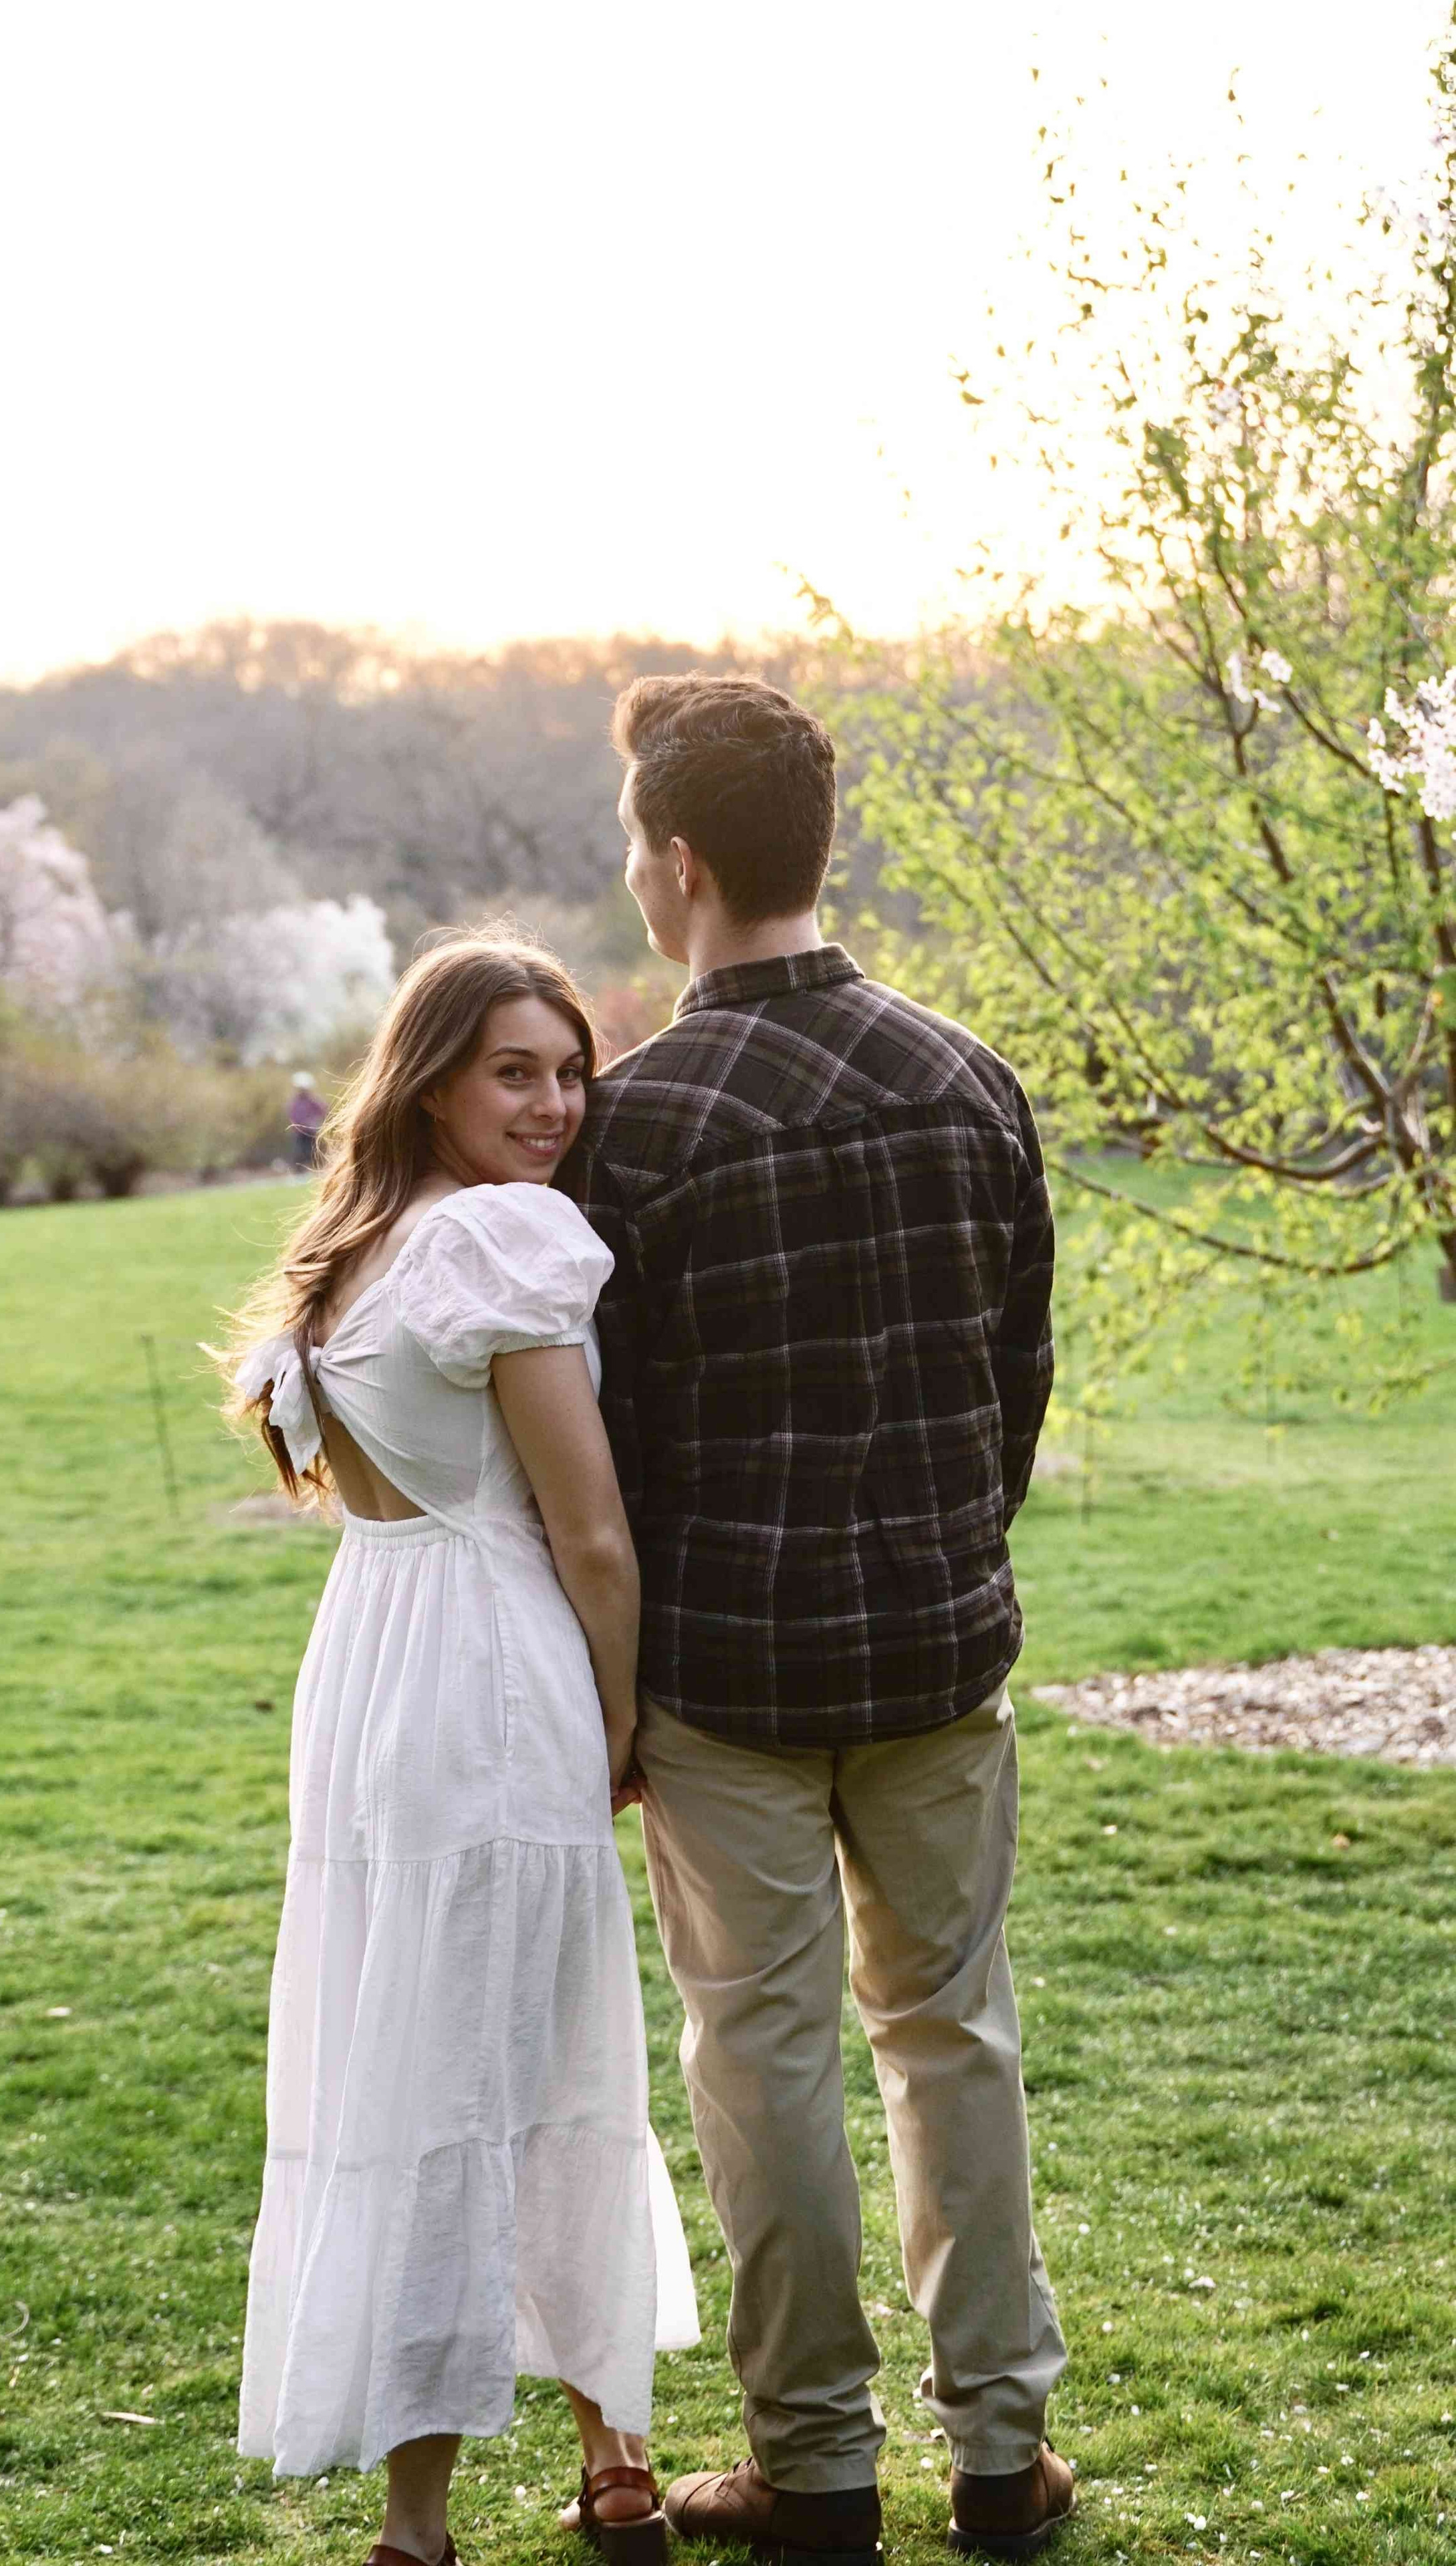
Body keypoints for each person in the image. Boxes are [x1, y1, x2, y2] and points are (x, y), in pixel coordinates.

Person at [558, 675, 1074, 2562]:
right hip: (943, 1648)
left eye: (636, 844)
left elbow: (606, 1444)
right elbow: (1016, 1377)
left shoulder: (639, 1121)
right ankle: (1005, 2453)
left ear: (679, 863)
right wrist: (947, 1542)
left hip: (732, 1681)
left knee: (759, 2051)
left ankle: (815, 2465)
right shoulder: (966, 1071)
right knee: (955, 2036)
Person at [217, 936, 697, 2566]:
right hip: (494, 1672)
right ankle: (550, 2477)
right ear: (427, 1074)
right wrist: (619, 1720)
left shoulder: (343, 1254)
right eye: (514, 1069)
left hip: (372, 1671)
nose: (554, 1103)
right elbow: (593, 1534)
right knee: (536, 2056)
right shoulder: (501, 1238)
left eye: (569, 1070)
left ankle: (498, 2493)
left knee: (429, 2053)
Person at [287, 1071, 328, 1172]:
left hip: (311, 1131)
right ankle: (299, 1171)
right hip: (300, 1132)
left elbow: (323, 1109)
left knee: (314, 1152)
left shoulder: (312, 1100)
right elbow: (293, 1116)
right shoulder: (295, 1102)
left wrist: (315, 1121)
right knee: (300, 1152)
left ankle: (318, 1169)